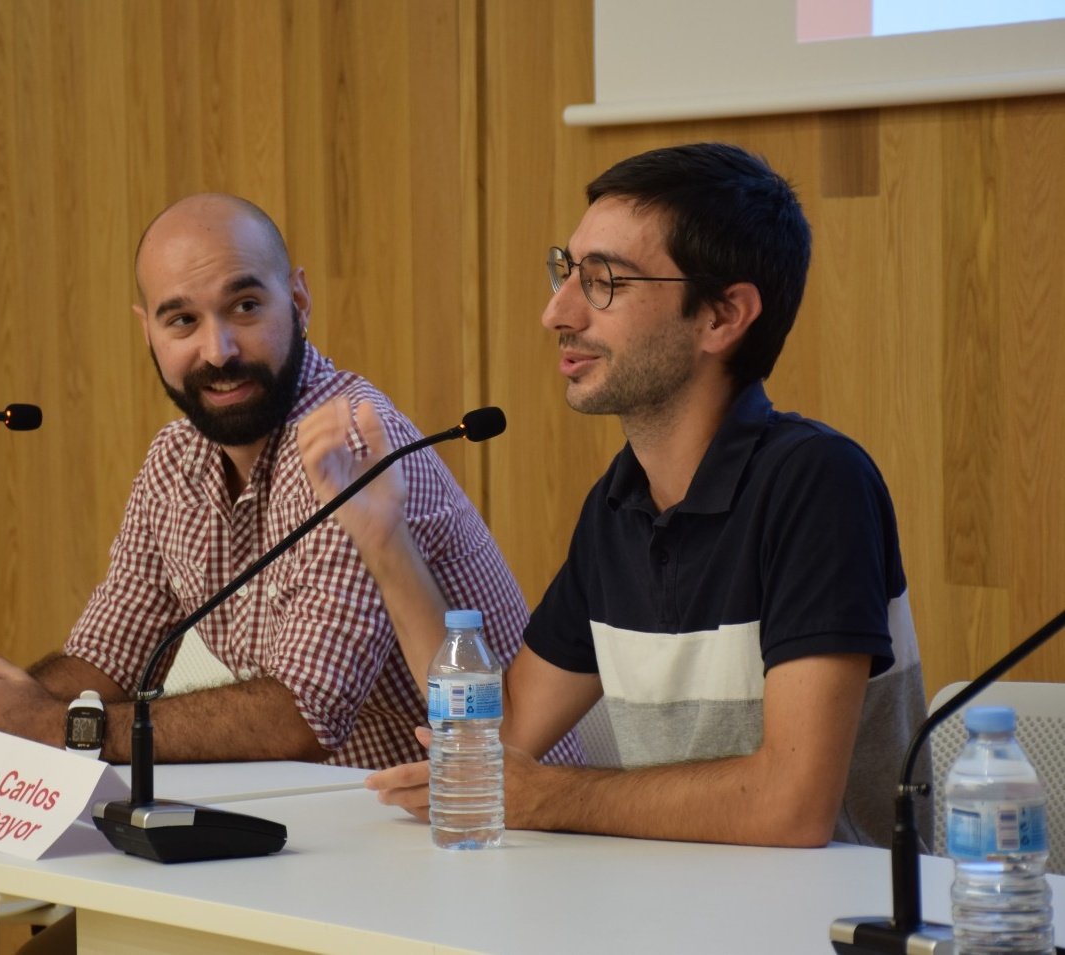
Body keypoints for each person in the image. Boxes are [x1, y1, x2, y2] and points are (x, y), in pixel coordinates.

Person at [299, 142, 930, 848]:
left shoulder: (818, 484)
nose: (557, 312)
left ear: (722, 316)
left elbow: (791, 806)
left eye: (604, 281)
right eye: (566, 271)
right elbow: (502, 728)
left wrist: (546, 796)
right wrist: (385, 537)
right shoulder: (619, 504)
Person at [0, 193, 580, 771]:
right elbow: (109, 657)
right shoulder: (176, 458)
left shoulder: (351, 447)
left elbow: (303, 716)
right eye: (182, 320)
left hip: (489, 824)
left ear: (298, 300)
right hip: (347, 833)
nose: (218, 350)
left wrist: (55, 728)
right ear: (146, 330)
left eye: (244, 306)